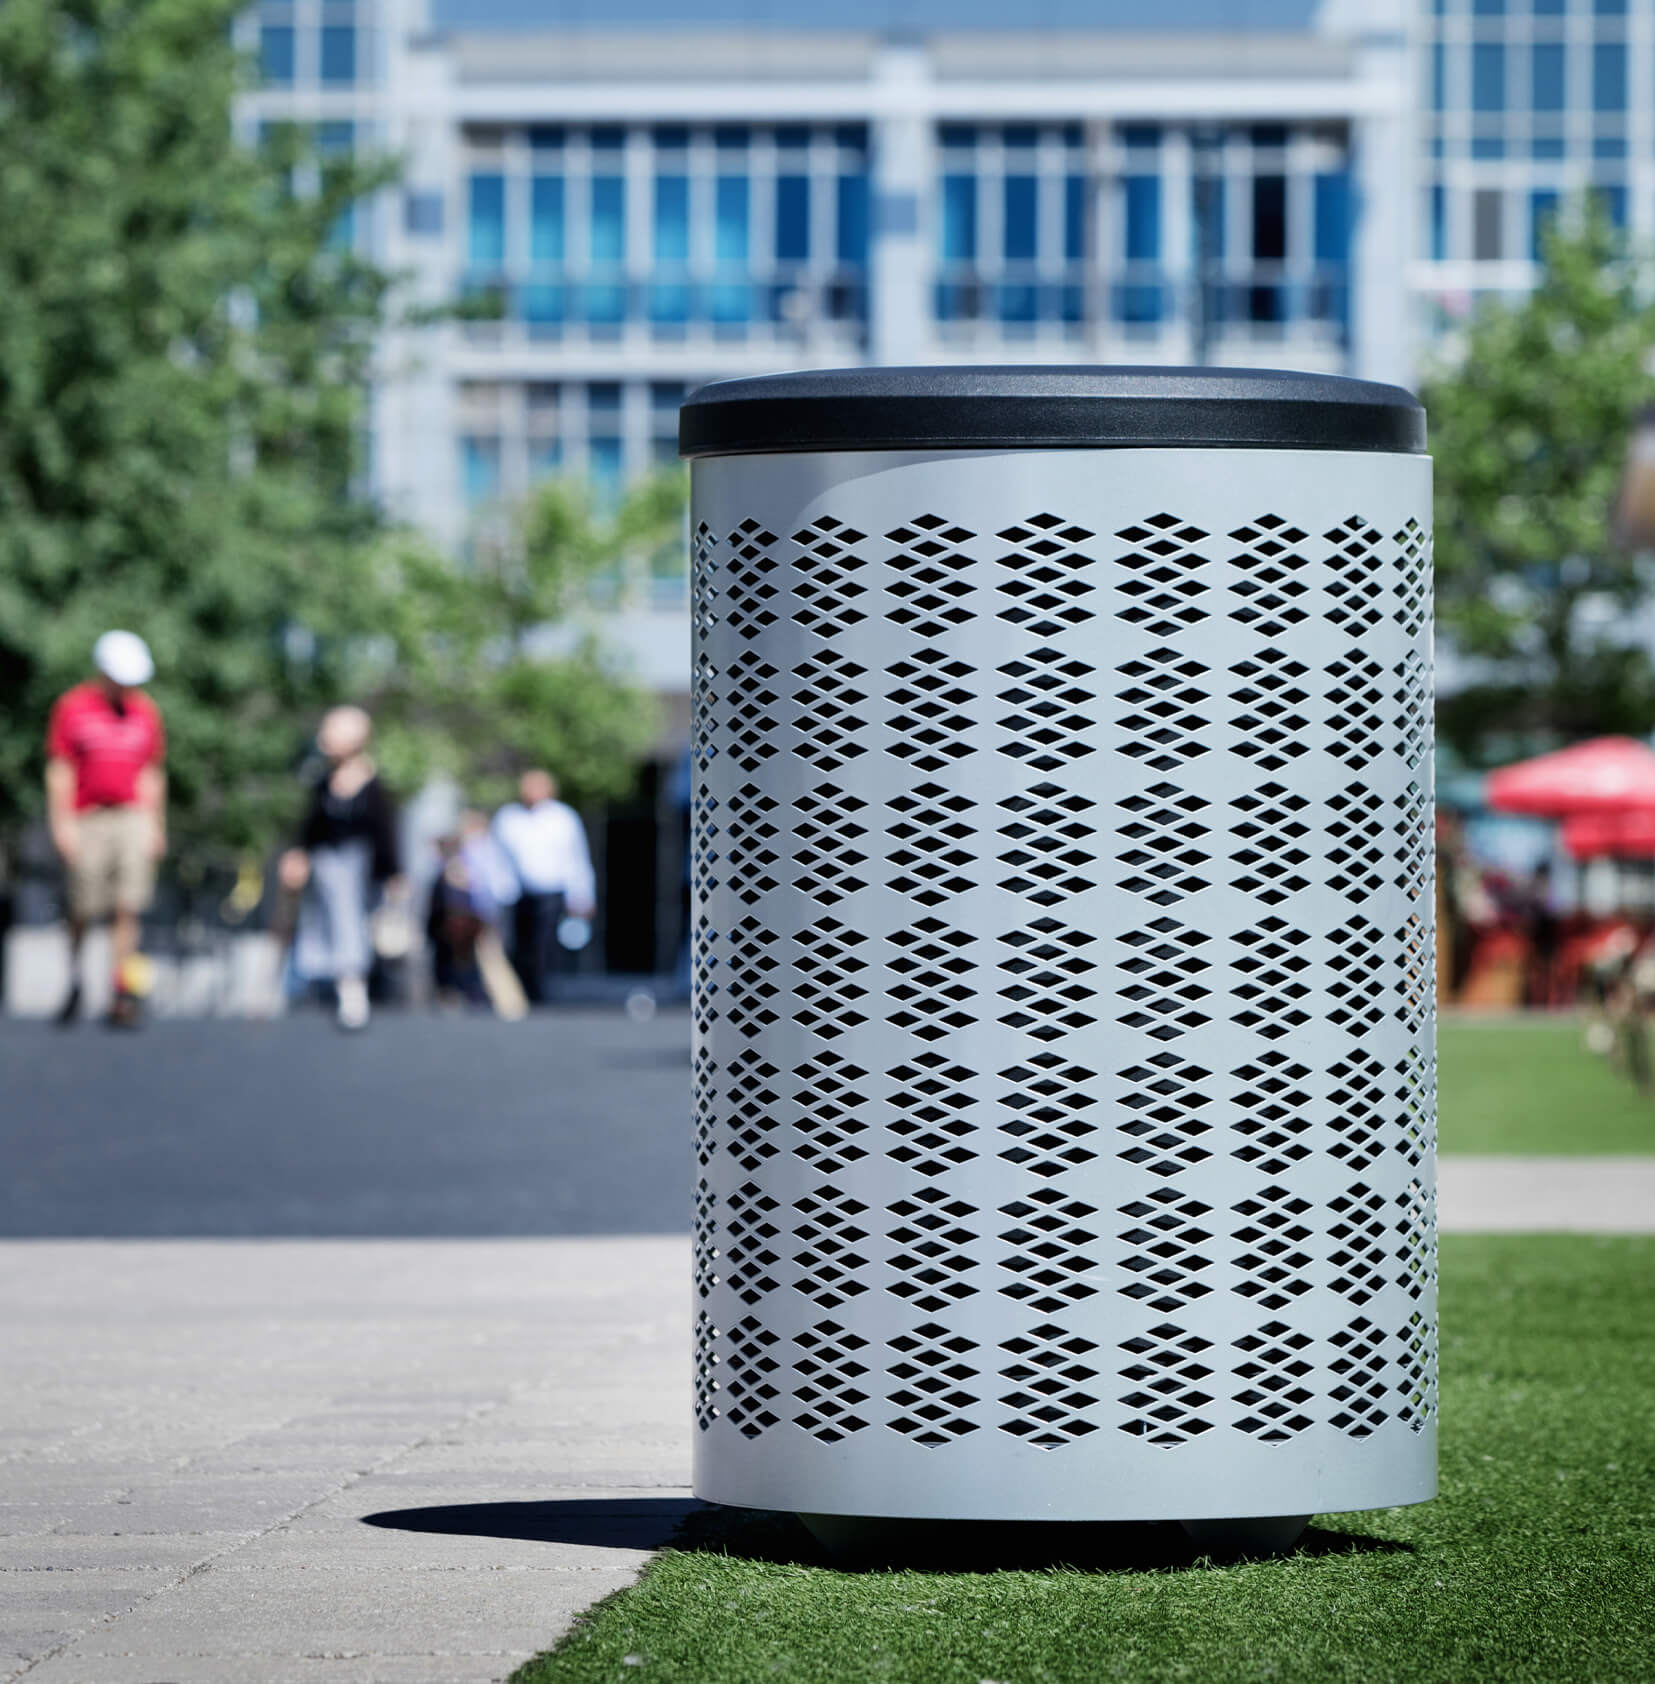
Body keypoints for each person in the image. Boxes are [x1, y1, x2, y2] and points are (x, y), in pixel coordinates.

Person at [45, 631, 167, 1028]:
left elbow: (151, 771)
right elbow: (61, 768)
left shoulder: (144, 711)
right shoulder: (74, 708)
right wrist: (62, 823)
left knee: (127, 905)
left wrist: (154, 824)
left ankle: (121, 990)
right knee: (82, 905)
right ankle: (76, 978)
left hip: (131, 816)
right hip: (88, 817)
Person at [278, 706, 402, 1031]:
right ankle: (318, 986)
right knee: (319, 924)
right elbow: (310, 826)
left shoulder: (373, 785)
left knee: (349, 922)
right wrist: (299, 855)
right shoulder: (323, 782)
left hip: (357, 872)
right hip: (325, 868)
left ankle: (352, 987)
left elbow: (386, 831)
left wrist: (393, 874)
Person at [492, 769, 595, 1005]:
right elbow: (497, 859)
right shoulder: (508, 817)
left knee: (544, 945)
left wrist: (582, 893)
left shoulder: (563, 818)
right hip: (518, 894)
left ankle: (543, 993)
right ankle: (524, 991)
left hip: (552, 892)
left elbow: (576, 858)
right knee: (519, 946)